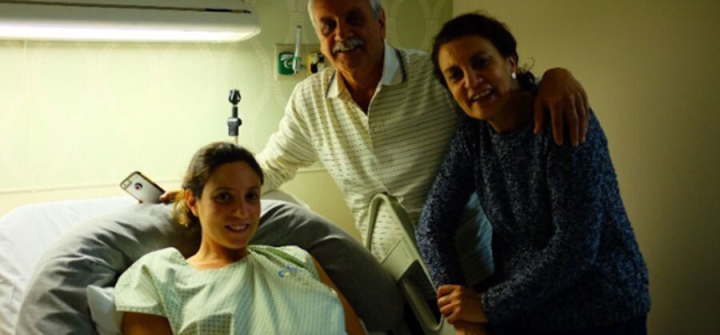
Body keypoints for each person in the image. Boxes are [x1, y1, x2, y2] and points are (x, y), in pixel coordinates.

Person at [416, 13, 650, 335]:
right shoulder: (474, 135)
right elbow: (432, 224)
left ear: (510, 61)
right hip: (525, 306)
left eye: (481, 62)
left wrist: (485, 306)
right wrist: (459, 307)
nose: (471, 81)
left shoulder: (561, 116)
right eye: (455, 75)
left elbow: (576, 248)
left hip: (602, 305)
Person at [115, 142, 365, 335]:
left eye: (251, 196)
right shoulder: (159, 275)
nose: (242, 212)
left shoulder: (298, 259)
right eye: (224, 197)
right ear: (192, 201)